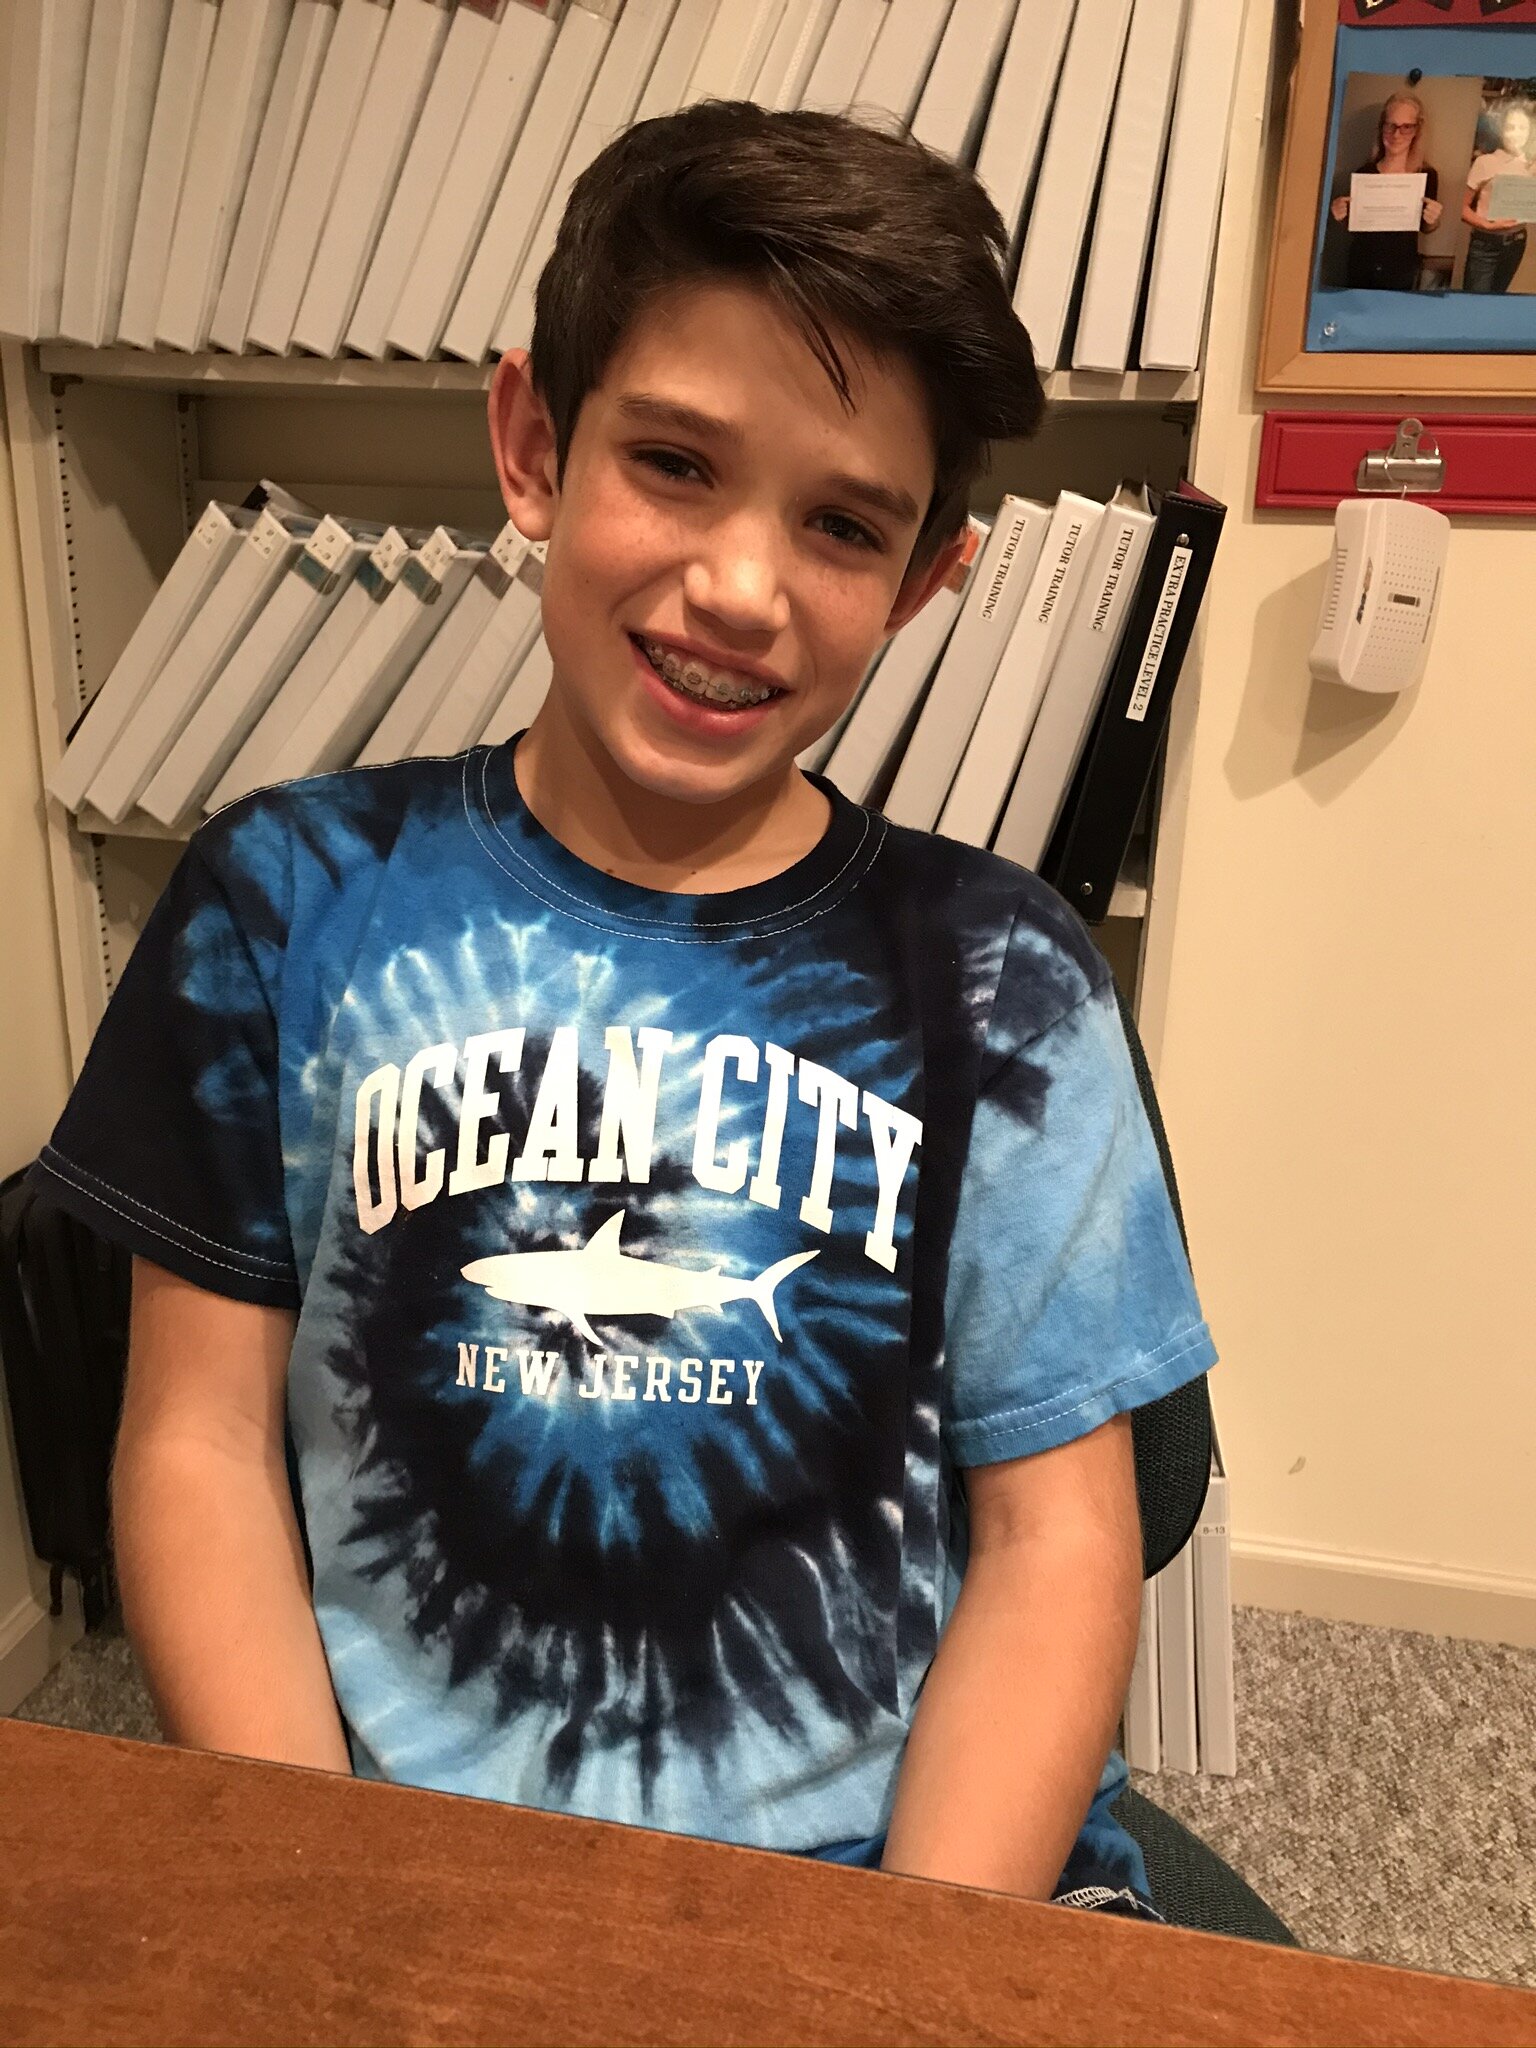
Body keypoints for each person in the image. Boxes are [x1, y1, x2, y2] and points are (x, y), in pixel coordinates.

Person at [31, 104, 1217, 1921]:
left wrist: (896, 1966)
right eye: (673, 463)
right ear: (532, 444)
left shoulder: (1006, 976)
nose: (738, 588)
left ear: (923, 581)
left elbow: (1058, 1540)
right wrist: (323, 1891)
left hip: (898, 1884)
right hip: (409, 1868)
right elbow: (194, 1443)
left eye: (841, 525)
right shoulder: (281, 902)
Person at [1329, 91, 1442, 292]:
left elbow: (1426, 227)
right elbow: (1356, 227)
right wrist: (1341, 215)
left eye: (1406, 127)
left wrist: (1433, 220)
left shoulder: (1426, 175)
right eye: (1390, 125)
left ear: (1417, 130)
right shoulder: (1364, 173)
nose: (1396, 135)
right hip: (1361, 269)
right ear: (1382, 127)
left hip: (1400, 270)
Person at [1461, 99, 1534, 295]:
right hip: (1485, 243)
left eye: (1522, 128)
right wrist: (1486, 225)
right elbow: (1462, 208)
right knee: (1475, 301)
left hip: (1517, 242)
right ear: (1501, 130)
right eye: (1510, 127)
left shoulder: (1532, 165)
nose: (1516, 134)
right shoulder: (1485, 162)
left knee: (1498, 297)